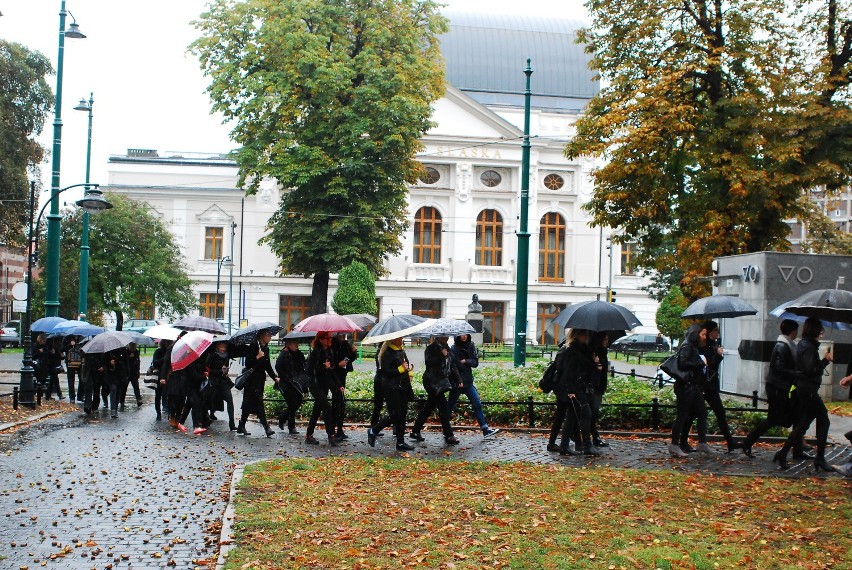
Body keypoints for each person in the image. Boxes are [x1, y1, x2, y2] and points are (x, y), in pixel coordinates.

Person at [741, 319, 810, 458]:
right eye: (796, 330)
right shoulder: (782, 346)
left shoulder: (788, 345)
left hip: (782, 387)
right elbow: (778, 368)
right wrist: (796, 373)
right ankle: (747, 443)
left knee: (795, 417)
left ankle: (797, 450)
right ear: (793, 331)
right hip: (778, 388)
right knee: (773, 419)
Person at [773, 318, 834, 471]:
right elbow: (810, 370)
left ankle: (784, 453)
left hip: (806, 389)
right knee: (823, 420)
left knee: (803, 424)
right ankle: (819, 458)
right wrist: (825, 361)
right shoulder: (808, 346)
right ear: (813, 330)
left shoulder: (807, 345)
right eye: (820, 329)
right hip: (808, 390)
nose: (822, 332)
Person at [680, 321, 740, 452]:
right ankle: (684, 442)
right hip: (703, 385)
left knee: (716, 412)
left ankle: (729, 442)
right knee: (695, 413)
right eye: (716, 331)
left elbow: (713, 367)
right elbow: (706, 365)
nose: (718, 333)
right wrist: (717, 355)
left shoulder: (713, 344)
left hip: (710, 385)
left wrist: (717, 354)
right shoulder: (701, 345)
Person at [668, 323, 712, 458]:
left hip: (693, 386)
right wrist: (700, 362)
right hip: (686, 386)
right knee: (682, 415)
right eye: (703, 334)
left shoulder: (694, 346)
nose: (705, 337)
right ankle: (675, 444)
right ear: (696, 334)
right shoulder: (687, 345)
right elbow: (683, 363)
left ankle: (702, 442)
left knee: (701, 413)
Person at [555, 328, 600, 456]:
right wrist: (571, 390)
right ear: (579, 335)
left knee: (572, 417)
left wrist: (594, 362)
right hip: (575, 388)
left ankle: (566, 446)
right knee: (585, 413)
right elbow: (569, 371)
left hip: (578, 387)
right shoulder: (573, 350)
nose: (587, 337)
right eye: (585, 335)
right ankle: (587, 445)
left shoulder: (582, 349)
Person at [409, 336, 460, 446]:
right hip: (431, 381)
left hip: (441, 381)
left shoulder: (447, 348)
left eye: (447, 336)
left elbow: (452, 364)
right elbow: (429, 362)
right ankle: (449, 435)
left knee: (429, 407)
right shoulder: (431, 348)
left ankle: (415, 430)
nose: (446, 338)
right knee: (443, 407)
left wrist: (458, 378)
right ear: (439, 336)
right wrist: (441, 355)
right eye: (443, 336)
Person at [368, 338, 416, 451]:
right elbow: (386, 371)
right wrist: (401, 369)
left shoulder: (401, 351)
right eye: (400, 338)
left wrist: (409, 372)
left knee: (403, 414)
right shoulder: (387, 352)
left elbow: (406, 365)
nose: (402, 340)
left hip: (402, 386)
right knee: (395, 415)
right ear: (393, 339)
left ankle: (400, 442)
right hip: (391, 387)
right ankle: (374, 430)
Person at [448, 333, 499, 437]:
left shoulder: (470, 346)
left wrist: (465, 361)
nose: (464, 336)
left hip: (468, 382)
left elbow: (475, 362)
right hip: (456, 383)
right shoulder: (453, 348)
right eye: (461, 335)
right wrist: (458, 379)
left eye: (465, 334)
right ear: (457, 336)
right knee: (450, 407)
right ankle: (446, 430)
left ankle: (485, 429)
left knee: (477, 404)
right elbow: (454, 365)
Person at [237, 330, 278, 437]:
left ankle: (241, 425)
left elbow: (267, 365)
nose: (270, 336)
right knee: (259, 402)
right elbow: (248, 363)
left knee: (248, 403)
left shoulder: (266, 348)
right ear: (261, 336)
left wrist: (274, 377)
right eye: (268, 335)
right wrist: (257, 357)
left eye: (270, 334)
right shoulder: (253, 347)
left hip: (260, 379)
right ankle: (266, 427)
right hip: (251, 380)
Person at [304, 331, 338, 445]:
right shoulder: (315, 353)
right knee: (327, 408)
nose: (330, 340)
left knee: (317, 410)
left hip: (324, 385)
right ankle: (331, 435)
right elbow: (309, 370)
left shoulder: (329, 352)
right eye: (328, 338)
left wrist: (339, 385)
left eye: (330, 338)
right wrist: (324, 367)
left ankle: (309, 434)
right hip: (315, 385)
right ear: (321, 340)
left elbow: (332, 369)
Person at [274, 338, 307, 435]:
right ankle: (291, 427)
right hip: (286, 383)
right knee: (292, 403)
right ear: (288, 344)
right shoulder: (284, 354)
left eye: (296, 343)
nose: (295, 345)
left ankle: (282, 418)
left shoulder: (299, 354)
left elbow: (302, 367)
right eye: (293, 343)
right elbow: (278, 367)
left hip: (297, 383)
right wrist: (286, 377)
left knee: (298, 402)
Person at [331, 333, 358, 440]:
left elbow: (351, 357)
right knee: (336, 402)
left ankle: (340, 429)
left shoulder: (346, 344)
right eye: (341, 334)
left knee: (341, 402)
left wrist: (353, 352)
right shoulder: (332, 345)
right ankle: (332, 430)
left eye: (344, 334)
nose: (343, 336)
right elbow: (330, 360)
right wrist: (338, 364)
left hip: (342, 374)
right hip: (334, 375)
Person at [206, 340, 237, 431]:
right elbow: (207, 370)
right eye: (221, 347)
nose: (223, 349)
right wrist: (220, 371)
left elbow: (225, 368)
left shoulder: (227, 355)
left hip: (223, 381)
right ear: (217, 347)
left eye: (225, 347)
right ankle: (208, 415)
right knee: (211, 399)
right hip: (213, 381)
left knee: (230, 400)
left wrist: (226, 371)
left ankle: (232, 423)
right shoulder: (211, 356)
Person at [589, 331, 609, 448]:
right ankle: (594, 437)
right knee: (593, 411)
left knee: (593, 412)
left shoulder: (603, 352)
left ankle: (594, 437)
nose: (606, 342)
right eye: (605, 339)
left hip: (600, 385)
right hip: (594, 386)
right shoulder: (593, 352)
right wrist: (596, 366)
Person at [151, 339, 172, 421]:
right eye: (166, 342)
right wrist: (164, 359)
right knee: (158, 395)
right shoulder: (158, 351)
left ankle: (169, 413)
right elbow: (155, 362)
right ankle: (158, 413)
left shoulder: (171, 351)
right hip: (159, 376)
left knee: (168, 394)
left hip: (168, 375)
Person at [119, 342, 143, 410]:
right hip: (127, 372)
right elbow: (124, 362)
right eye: (132, 346)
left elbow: (137, 362)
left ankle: (139, 399)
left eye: (134, 346)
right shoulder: (125, 352)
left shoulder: (136, 352)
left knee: (136, 387)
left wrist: (138, 371)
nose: (133, 347)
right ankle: (121, 400)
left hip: (134, 373)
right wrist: (129, 357)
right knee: (124, 387)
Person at [64, 336, 83, 403]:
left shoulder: (81, 338)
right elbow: (62, 349)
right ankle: (72, 397)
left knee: (82, 379)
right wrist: (70, 345)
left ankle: (80, 396)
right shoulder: (67, 338)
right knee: (71, 380)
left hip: (79, 361)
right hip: (70, 362)